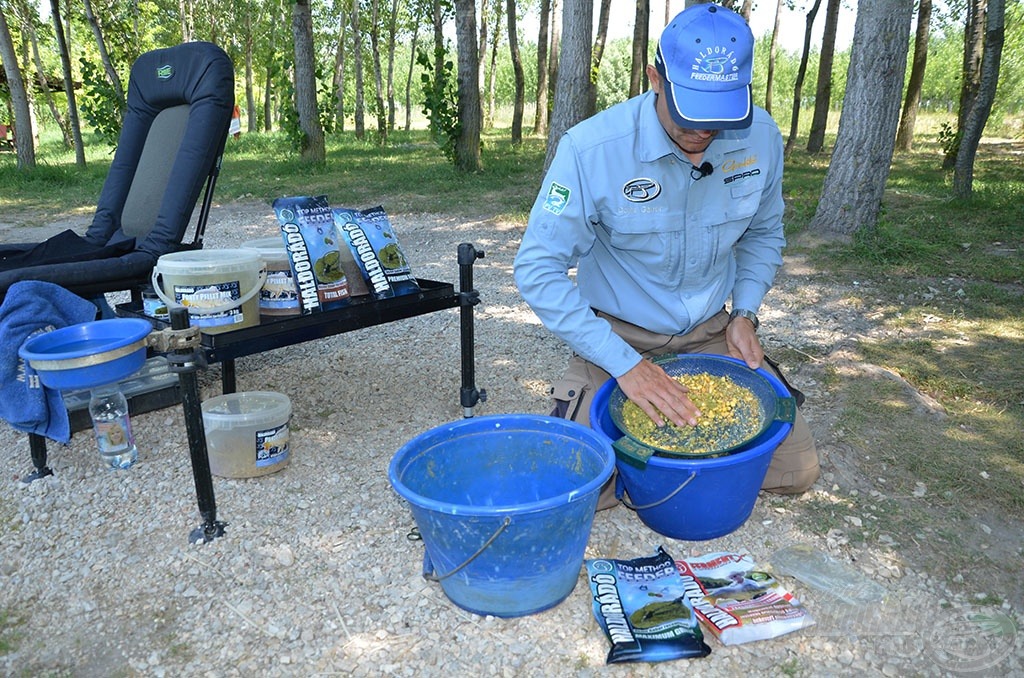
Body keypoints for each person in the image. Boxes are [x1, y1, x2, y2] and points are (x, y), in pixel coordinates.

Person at [513, 3, 819, 508]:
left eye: (719, 119)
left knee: (796, 470)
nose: (703, 136)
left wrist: (744, 313)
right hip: (616, 336)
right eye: (690, 114)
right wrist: (624, 364)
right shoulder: (591, 149)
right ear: (655, 78)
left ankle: (680, 465)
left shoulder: (760, 136)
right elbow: (536, 269)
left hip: (709, 331)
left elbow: (765, 233)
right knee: (583, 493)